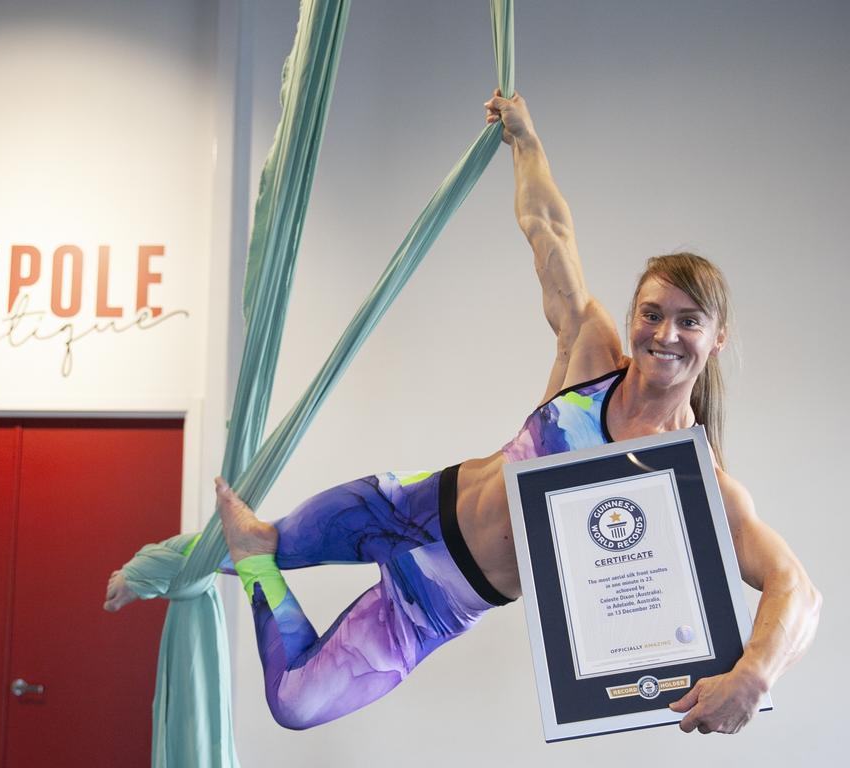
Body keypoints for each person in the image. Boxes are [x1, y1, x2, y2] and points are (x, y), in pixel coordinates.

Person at [105, 90, 821, 734]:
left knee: (293, 701)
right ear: (634, 315)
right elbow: (549, 236)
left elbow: (800, 590)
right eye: (653, 313)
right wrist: (527, 141)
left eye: (689, 322)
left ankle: (245, 568)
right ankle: (152, 569)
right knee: (252, 540)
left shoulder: (697, 483)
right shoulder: (595, 355)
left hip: (439, 603)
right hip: (408, 505)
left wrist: (754, 675)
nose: (665, 335)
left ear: (717, 339)